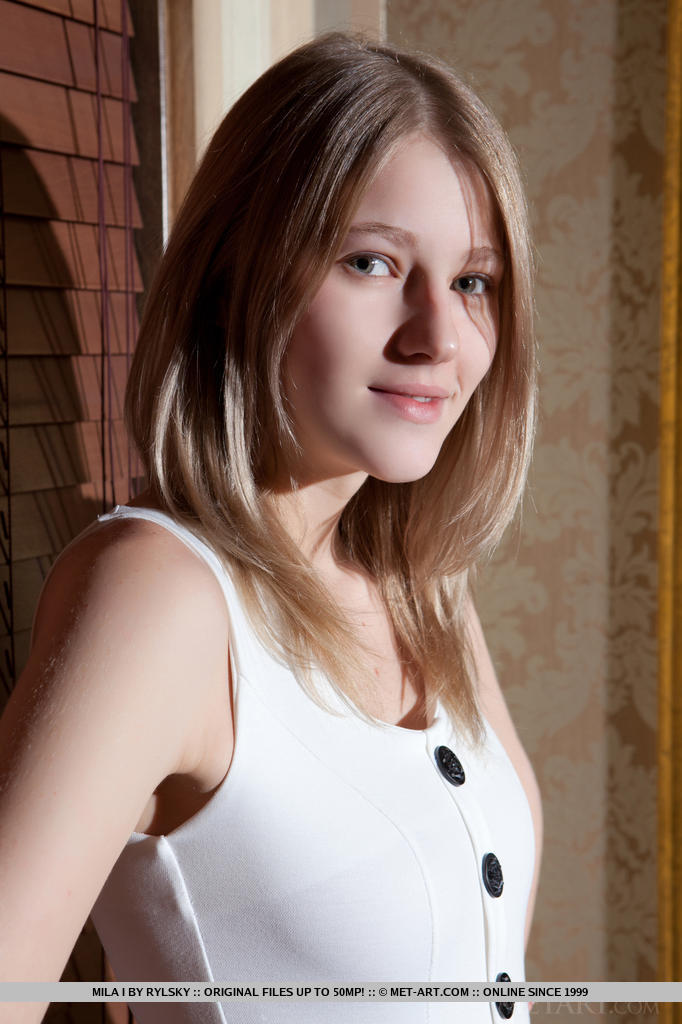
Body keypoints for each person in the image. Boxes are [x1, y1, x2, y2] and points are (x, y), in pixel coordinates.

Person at [0, 31, 542, 1024]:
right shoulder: (159, 597)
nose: (438, 336)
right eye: (372, 262)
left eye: (472, 281)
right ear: (238, 275)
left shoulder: (422, 586)